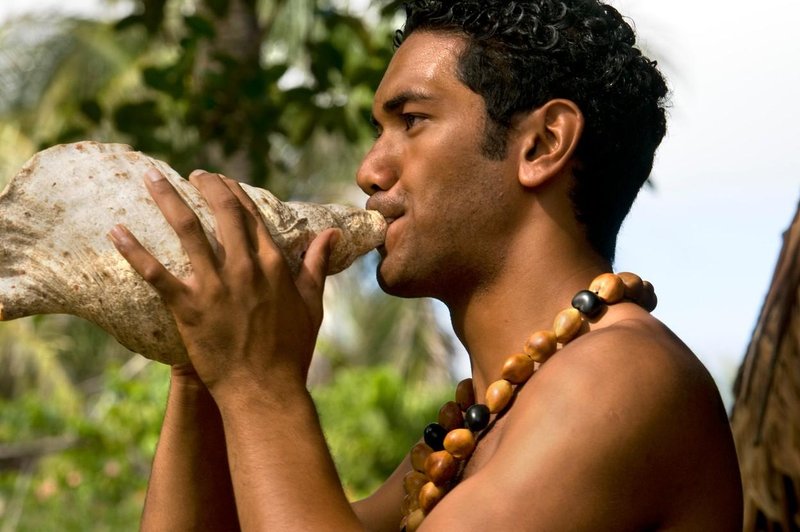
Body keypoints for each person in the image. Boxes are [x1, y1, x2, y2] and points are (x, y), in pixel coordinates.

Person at [108, 0, 744, 530]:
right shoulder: (490, 418)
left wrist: (259, 385)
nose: (369, 170)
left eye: (411, 121)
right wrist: (202, 370)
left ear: (542, 145)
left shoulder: (620, 378)